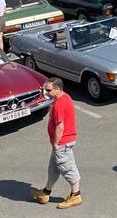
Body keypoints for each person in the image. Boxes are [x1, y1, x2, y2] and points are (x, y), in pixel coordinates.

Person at [29, 78, 81, 208]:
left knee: (67, 168)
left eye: (49, 90)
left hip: (62, 143)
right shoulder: (65, 97)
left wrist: (57, 143)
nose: (46, 92)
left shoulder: (59, 104)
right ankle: (46, 192)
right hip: (61, 143)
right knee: (54, 168)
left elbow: (60, 126)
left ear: (57, 89)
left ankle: (76, 195)